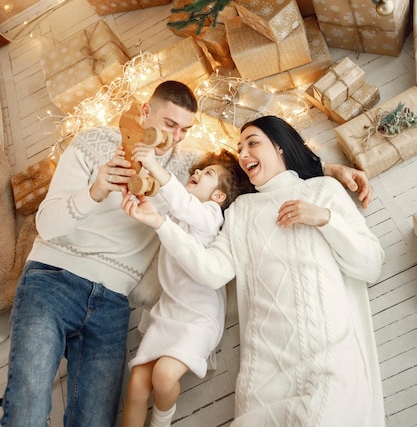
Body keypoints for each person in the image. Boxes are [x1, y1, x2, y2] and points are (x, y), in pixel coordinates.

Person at [0, 79, 372, 427]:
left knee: (96, 418)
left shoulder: (184, 169)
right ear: (145, 113)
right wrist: (95, 191)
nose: (173, 137)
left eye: (184, 130)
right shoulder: (91, 142)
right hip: (52, 277)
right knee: (27, 403)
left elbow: (242, 173)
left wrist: (326, 169)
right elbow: (46, 224)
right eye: (168, 124)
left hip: (112, 300)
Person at [121, 115, 385, 427]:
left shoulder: (322, 191)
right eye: (240, 148)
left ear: (281, 147)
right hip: (264, 370)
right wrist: (161, 224)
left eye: (253, 143)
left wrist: (325, 218)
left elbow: (371, 265)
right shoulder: (240, 212)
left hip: (326, 356)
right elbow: (213, 272)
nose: (244, 154)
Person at [122, 147, 252, 427]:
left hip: (199, 318)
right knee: (136, 384)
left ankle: (160, 421)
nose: (196, 173)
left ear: (218, 197)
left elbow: (183, 204)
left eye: (207, 174)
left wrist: (157, 168)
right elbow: (163, 206)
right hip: (168, 312)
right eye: (197, 170)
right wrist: (135, 199)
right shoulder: (176, 215)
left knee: (164, 375)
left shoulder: (210, 217)